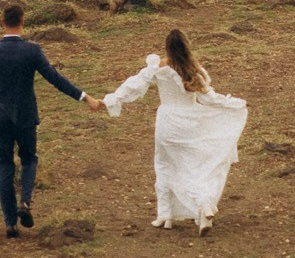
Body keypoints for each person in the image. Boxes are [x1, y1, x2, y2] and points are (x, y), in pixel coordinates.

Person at [0, 1, 102, 236]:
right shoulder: (32, 50)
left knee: (4, 165)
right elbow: (55, 78)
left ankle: (9, 223)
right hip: (26, 115)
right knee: (29, 160)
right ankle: (25, 202)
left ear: (2, 22)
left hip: (0, 117)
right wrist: (84, 97)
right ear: (22, 21)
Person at [102, 26, 247, 233]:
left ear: (167, 48)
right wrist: (235, 104)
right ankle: (203, 205)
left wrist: (112, 100)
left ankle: (166, 215)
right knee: (193, 166)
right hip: (191, 122)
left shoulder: (158, 67)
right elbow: (210, 99)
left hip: (168, 122)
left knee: (164, 165)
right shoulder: (194, 70)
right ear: (187, 46)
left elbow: (134, 85)